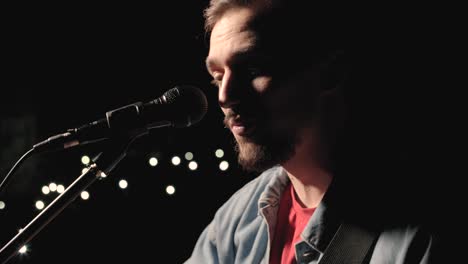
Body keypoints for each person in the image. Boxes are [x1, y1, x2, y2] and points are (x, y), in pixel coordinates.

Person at [185, 0, 436, 263]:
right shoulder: (236, 220)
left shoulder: (421, 231)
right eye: (217, 76)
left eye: (252, 69)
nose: (225, 96)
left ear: (330, 72)